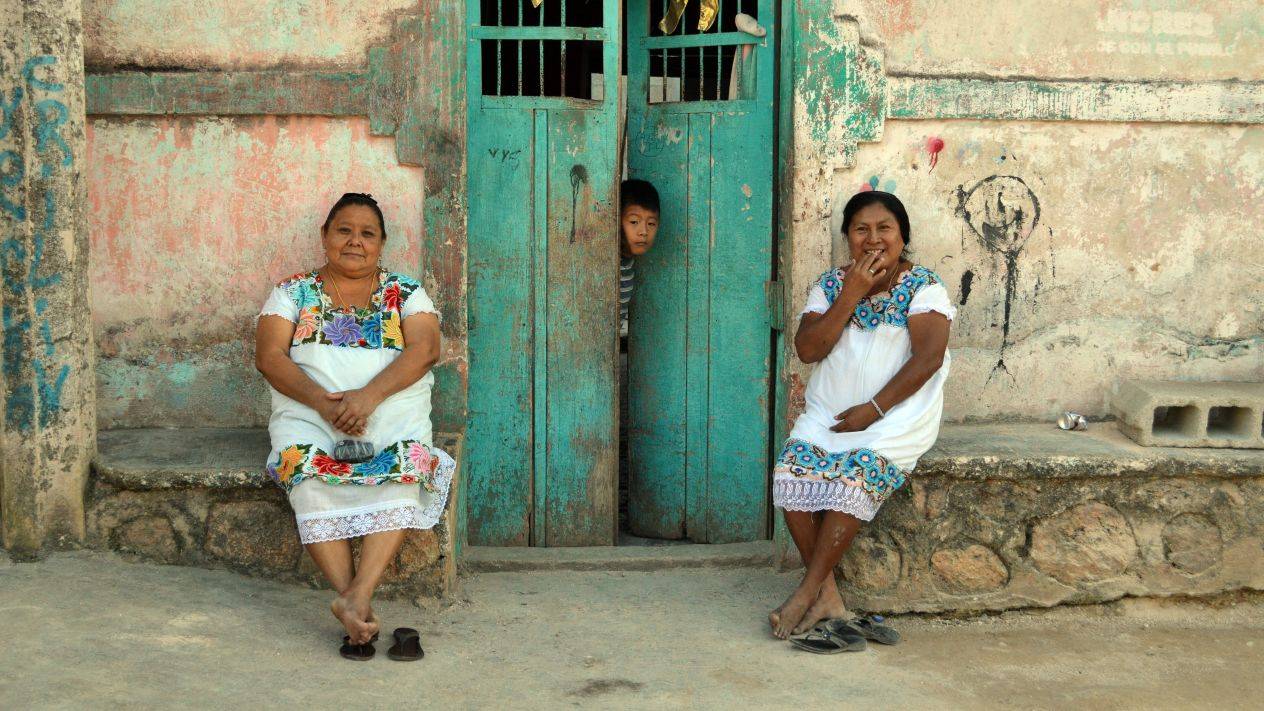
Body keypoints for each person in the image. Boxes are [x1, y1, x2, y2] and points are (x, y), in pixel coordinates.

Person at [255, 192, 454, 659]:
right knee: (303, 471)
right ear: (325, 236)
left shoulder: (406, 292)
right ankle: (355, 601)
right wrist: (325, 406)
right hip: (310, 416)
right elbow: (268, 357)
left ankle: (354, 601)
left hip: (388, 414)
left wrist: (367, 398)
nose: (354, 242)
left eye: (367, 234)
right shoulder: (291, 292)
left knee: (407, 468)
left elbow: (425, 350)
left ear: (381, 243)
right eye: (344, 230)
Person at [769, 190, 955, 640]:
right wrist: (850, 293)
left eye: (884, 228)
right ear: (848, 237)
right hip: (830, 413)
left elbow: (928, 358)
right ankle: (828, 597)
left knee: (855, 475)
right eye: (861, 229)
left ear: (902, 236)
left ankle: (805, 593)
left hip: (895, 415)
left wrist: (873, 411)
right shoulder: (830, 285)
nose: (873, 239)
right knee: (790, 476)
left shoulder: (924, 286)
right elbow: (809, 349)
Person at [618, 179, 660, 338]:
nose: (643, 231)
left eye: (651, 223)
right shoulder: (609, 265)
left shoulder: (627, 262)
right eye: (634, 221)